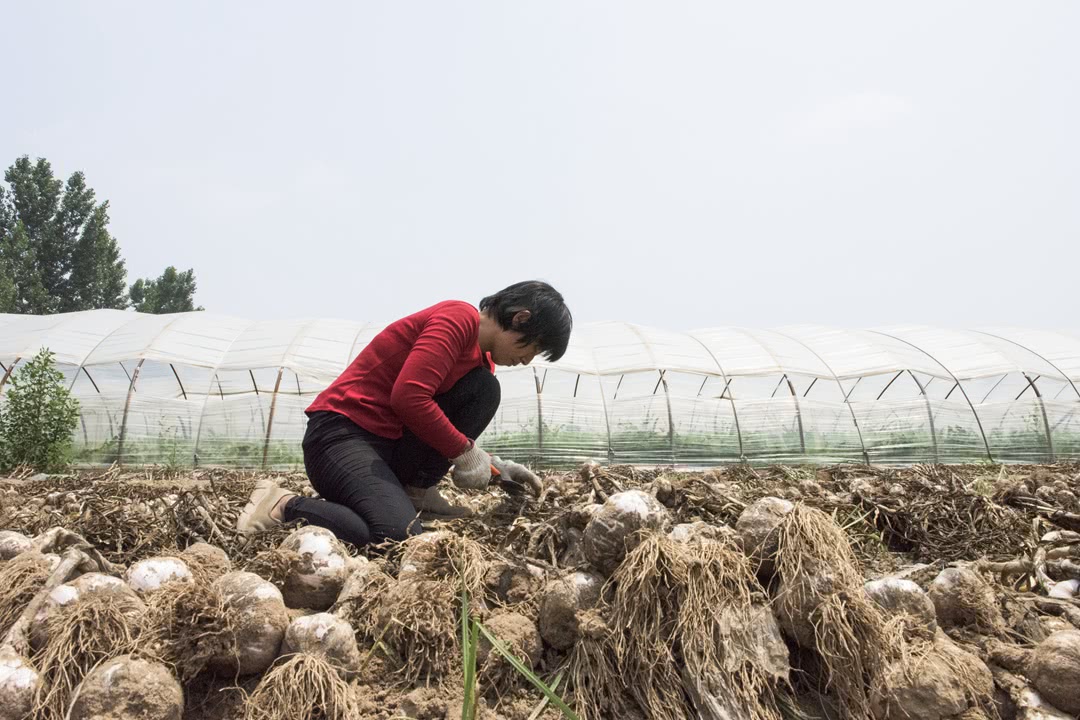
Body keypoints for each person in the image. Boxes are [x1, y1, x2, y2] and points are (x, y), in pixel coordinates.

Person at [236, 281, 572, 548]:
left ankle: (416, 491)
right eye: (533, 348)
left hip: (387, 446)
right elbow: (409, 397)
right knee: (396, 535)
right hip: (339, 437)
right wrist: (466, 452)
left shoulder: (481, 363)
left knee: (485, 389)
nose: (528, 360)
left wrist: (497, 469)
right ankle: (284, 504)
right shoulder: (457, 319)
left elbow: (436, 423)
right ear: (521, 318)